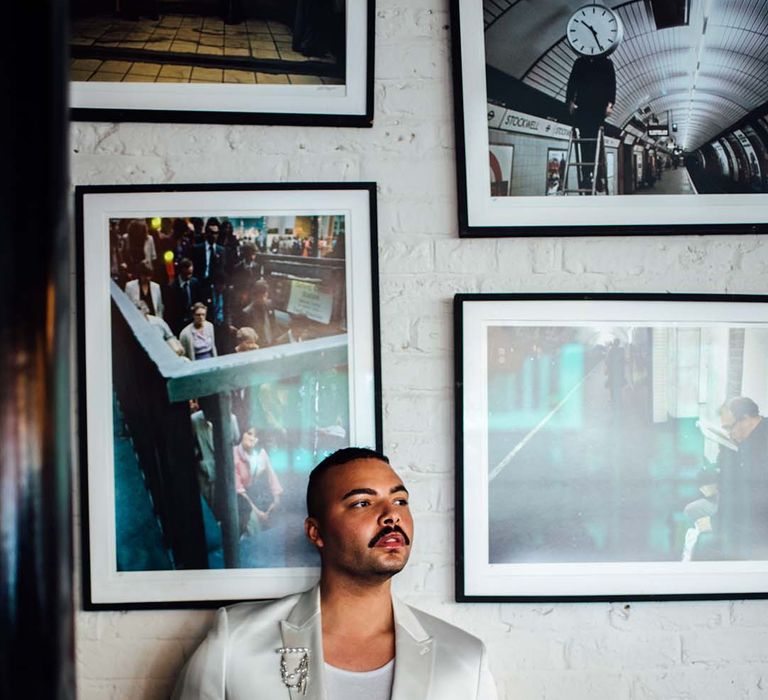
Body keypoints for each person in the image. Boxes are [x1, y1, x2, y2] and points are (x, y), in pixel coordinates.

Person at [171, 447, 498, 699]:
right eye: (362, 503)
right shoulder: (236, 642)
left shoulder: (465, 659)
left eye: (400, 501)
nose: (391, 516)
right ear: (316, 533)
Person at [565, 54, 616, 193]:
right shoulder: (581, 62)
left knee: (593, 141)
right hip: (585, 107)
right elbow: (572, 82)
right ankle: (588, 174)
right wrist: (570, 100)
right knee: (586, 141)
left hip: (597, 108)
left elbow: (611, 84)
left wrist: (610, 104)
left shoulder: (606, 63)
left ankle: (593, 174)